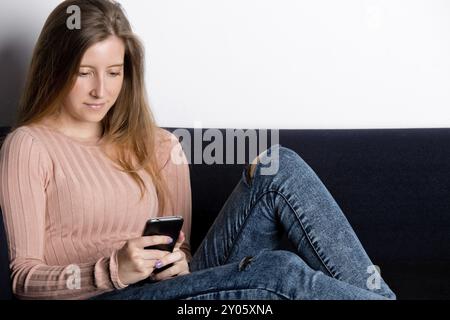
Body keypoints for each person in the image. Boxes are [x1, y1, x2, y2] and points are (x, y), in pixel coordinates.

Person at [0, 0, 396, 300]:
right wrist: (111, 270)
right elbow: (22, 278)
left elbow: (183, 251)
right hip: (107, 295)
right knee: (279, 270)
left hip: (170, 291)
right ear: (54, 67)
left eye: (114, 73)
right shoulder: (29, 146)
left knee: (278, 167)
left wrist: (177, 261)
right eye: (83, 73)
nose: (101, 90)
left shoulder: (157, 146)